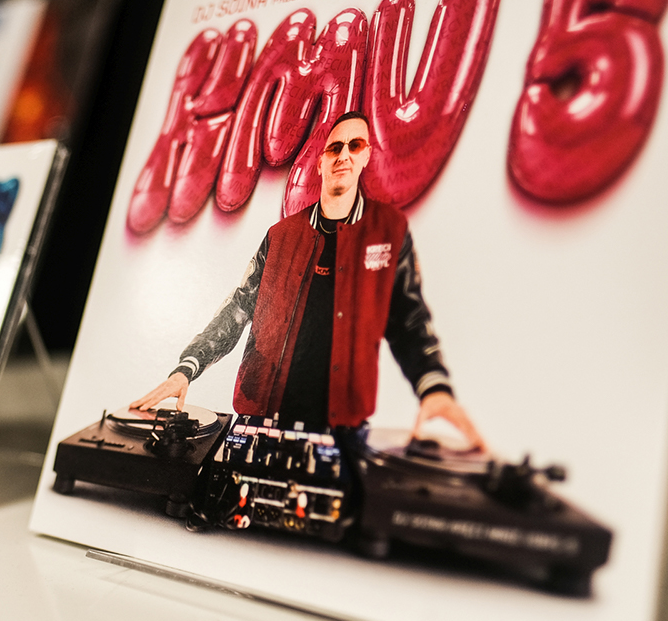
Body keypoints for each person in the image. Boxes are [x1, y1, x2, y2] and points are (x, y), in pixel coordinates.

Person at [132, 112, 484, 446]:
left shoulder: (388, 231)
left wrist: (434, 388)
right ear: (320, 162)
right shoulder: (280, 236)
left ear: (366, 156)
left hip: (342, 432)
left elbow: (408, 319)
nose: (343, 155)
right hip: (261, 421)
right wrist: (186, 368)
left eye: (355, 146)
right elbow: (238, 309)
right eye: (334, 148)